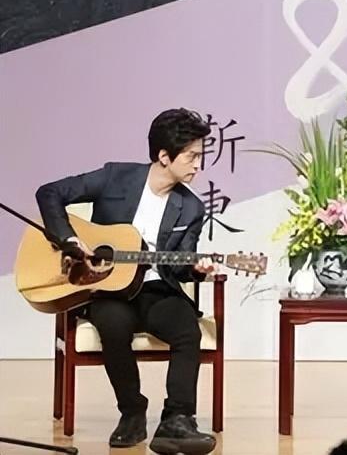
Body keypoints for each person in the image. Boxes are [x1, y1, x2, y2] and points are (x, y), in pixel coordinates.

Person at [35, 108, 218, 453]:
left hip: (156, 290)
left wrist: (197, 269)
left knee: (186, 329)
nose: (199, 165)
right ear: (164, 156)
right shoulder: (115, 177)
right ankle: (132, 411)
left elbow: (182, 265)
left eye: (200, 156)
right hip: (107, 289)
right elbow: (49, 193)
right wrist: (70, 240)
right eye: (192, 156)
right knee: (113, 324)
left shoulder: (191, 207)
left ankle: (177, 419)